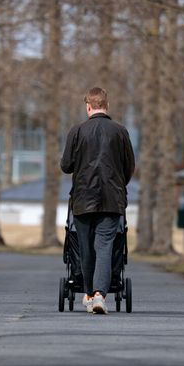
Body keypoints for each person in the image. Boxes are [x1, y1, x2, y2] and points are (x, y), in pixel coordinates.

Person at [60, 87, 135, 314]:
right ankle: (101, 295)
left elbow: (65, 166)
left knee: (85, 248)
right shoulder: (120, 131)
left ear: (88, 107)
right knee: (104, 246)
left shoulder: (77, 131)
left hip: (83, 199)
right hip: (112, 199)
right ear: (107, 106)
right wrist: (119, 183)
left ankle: (90, 293)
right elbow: (129, 166)